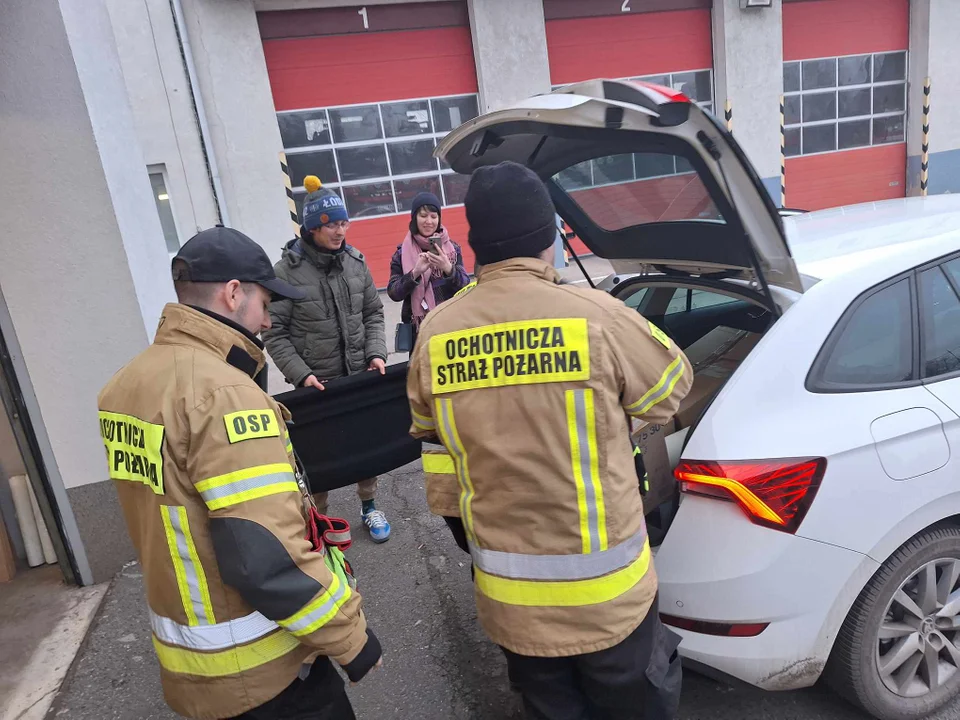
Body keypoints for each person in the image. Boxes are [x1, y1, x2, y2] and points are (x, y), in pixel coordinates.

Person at [406, 162, 692, 720]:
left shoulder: (436, 334)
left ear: (477, 244)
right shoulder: (597, 317)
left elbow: (438, 458)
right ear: (549, 236)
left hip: (512, 601)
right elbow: (671, 389)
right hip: (610, 602)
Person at [97, 226, 382, 720]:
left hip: (192, 658)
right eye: (266, 302)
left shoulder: (125, 386)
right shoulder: (222, 394)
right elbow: (264, 554)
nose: (268, 318)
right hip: (264, 667)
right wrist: (351, 637)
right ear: (233, 294)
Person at [264, 182, 391, 543]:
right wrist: (300, 375)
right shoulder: (286, 273)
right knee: (319, 458)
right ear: (312, 228)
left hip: (358, 376)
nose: (340, 231)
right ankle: (318, 520)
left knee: (366, 447)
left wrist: (376, 352)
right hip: (316, 385)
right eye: (331, 225)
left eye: (343, 224)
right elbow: (274, 333)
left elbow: (373, 313)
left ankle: (369, 506)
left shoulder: (355, 262)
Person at [386, 192, 469, 344]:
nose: (429, 221)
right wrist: (415, 273)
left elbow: (465, 286)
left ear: (439, 219)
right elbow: (393, 293)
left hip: (452, 329)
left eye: (433, 216)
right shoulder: (401, 253)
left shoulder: (452, 249)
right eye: (423, 215)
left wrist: (448, 268)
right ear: (414, 218)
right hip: (420, 334)